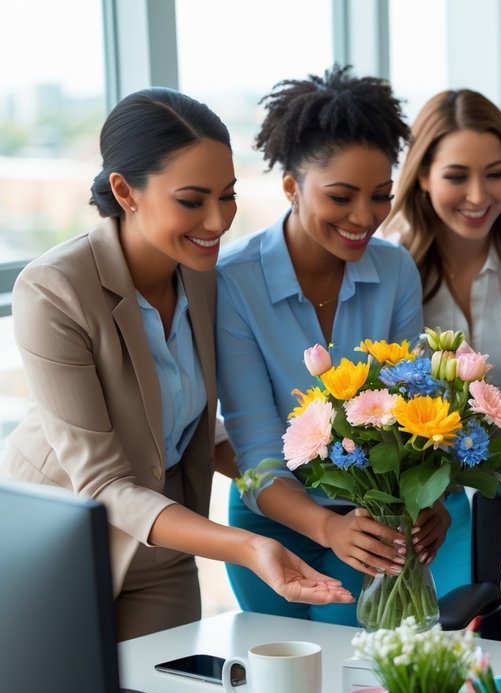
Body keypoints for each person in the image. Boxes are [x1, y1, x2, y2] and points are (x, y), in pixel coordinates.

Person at [0, 88, 353, 641]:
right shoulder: (53, 290)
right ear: (126, 191)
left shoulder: (210, 277)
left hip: (163, 546)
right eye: (192, 200)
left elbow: (195, 430)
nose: (218, 220)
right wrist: (249, 545)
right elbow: (103, 481)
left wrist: (337, 496)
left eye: (229, 196)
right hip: (60, 547)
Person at [216, 66, 445, 625]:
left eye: (380, 196)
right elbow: (254, 444)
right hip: (274, 524)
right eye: (340, 196)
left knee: (374, 678)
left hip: (376, 522)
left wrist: (431, 501)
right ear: (290, 186)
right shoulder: (234, 281)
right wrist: (326, 527)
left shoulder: (394, 270)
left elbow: (411, 408)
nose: (364, 217)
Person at [383, 88, 501, 404]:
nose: (477, 196)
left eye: (495, 174)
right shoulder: (390, 266)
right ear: (423, 176)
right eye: (457, 177)